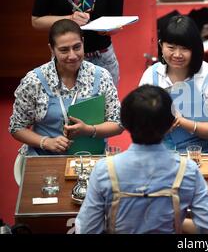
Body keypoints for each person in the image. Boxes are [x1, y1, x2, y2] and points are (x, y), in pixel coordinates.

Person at [75, 85, 208, 234]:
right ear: (169, 124)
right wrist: (175, 220)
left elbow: (87, 229)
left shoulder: (104, 170)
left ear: (126, 123)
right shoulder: (188, 170)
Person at [9, 19, 123, 156]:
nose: (72, 56)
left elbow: (118, 124)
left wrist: (89, 130)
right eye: (64, 50)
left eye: (77, 47)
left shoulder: (101, 76)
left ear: (83, 42)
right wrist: (45, 142)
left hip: (90, 158)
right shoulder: (34, 81)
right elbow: (17, 127)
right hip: (45, 158)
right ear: (52, 49)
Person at [139, 15, 208, 153]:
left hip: (203, 159)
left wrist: (183, 123)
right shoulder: (151, 75)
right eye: (171, 47)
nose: (177, 54)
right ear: (161, 45)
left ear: (195, 48)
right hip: (160, 158)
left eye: (184, 48)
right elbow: (139, 123)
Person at [31, 0, 124, 86]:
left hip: (101, 57)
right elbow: (37, 21)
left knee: (102, 103)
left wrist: (106, 29)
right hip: (65, 57)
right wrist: (69, 19)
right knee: (65, 103)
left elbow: (116, 22)